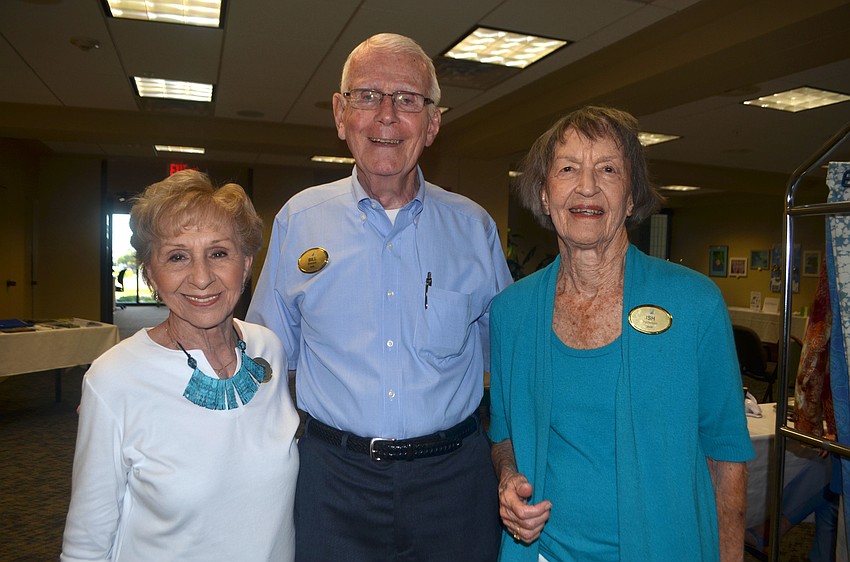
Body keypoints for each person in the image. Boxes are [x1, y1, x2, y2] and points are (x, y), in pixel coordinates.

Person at [247, 33, 512, 561]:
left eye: (408, 99)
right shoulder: (298, 221)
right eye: (367, 96)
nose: (386, 116)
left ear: (432, 123)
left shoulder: (473, 228)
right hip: (333, 482)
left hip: (453, 481)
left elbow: (504, 359)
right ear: (340, 115)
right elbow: (266, 362)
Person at [488, 106, 755, 561]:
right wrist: (509, 477)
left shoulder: (693, 304)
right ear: (544, 194)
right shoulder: (511, 311)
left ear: (631, 198)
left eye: (608, 169)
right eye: (568, 168)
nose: (587, 186)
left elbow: (726, 460)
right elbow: (503, 434)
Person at [61, 170, 300, 562]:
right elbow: (87, 539)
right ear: (151, 274)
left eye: (219, 253)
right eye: (177, 257)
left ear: (246, 263)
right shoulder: (114, 379)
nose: (202, 278)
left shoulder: (267, 349)